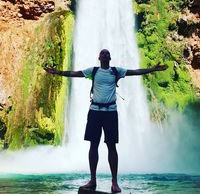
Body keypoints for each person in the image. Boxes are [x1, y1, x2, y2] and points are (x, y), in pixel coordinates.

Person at [44, 49, 167, 193]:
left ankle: (114, 182)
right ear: (99, 57)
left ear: (110, 57)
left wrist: (153, 69)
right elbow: (74, 74)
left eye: (107, 53)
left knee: (111, 146)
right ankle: (93, 180)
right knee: (93, 145)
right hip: (95, 112)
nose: (105, 54)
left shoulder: (116, 71)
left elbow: (135, 71)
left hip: (110, 113)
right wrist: (57, 72)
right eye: (102, 53)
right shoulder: (93, 71)